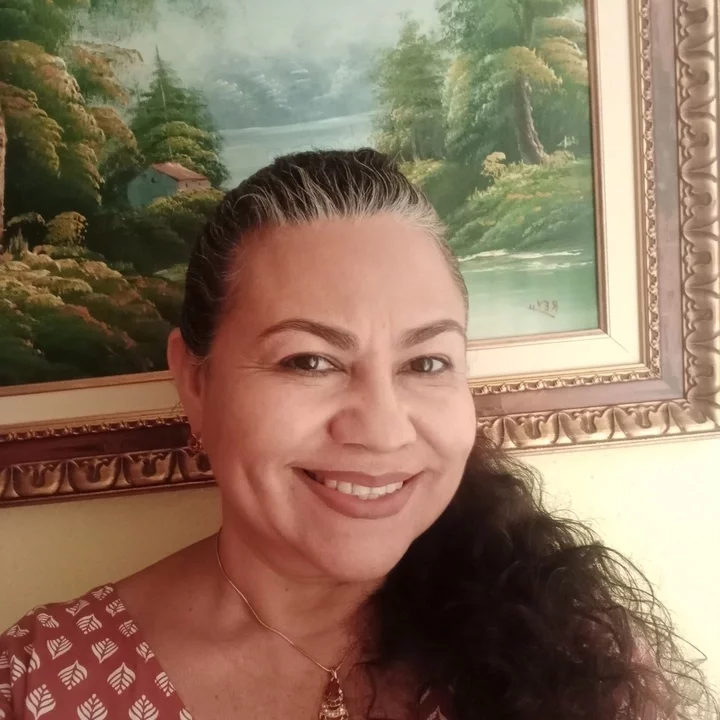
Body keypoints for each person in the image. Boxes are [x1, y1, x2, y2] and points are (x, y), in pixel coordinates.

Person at [0, 149, 716, 720]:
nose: (381, 428)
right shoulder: (40, 684)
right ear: (195, 381)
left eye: (426, 363)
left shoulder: (571, 648)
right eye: (310, 361)